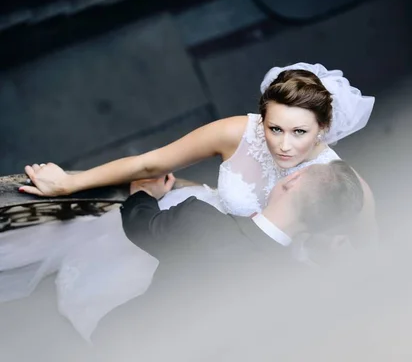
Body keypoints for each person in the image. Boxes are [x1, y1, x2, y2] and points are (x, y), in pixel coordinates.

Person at [2, 62, 376, 340]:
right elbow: (150, 162)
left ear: (322, 129)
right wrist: (70, 182)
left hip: (259, 272)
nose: (283, 144)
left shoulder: (342, 184)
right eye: (273, 128)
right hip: (199, 229)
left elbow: (369, 253)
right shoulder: (237, 133)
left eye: (299, 132)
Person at [94, 160, 364, 352]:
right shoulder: (299, 290)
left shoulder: (200, 220)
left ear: (292, 181)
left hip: (126, 346)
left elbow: (141, 225)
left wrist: (143, 194)